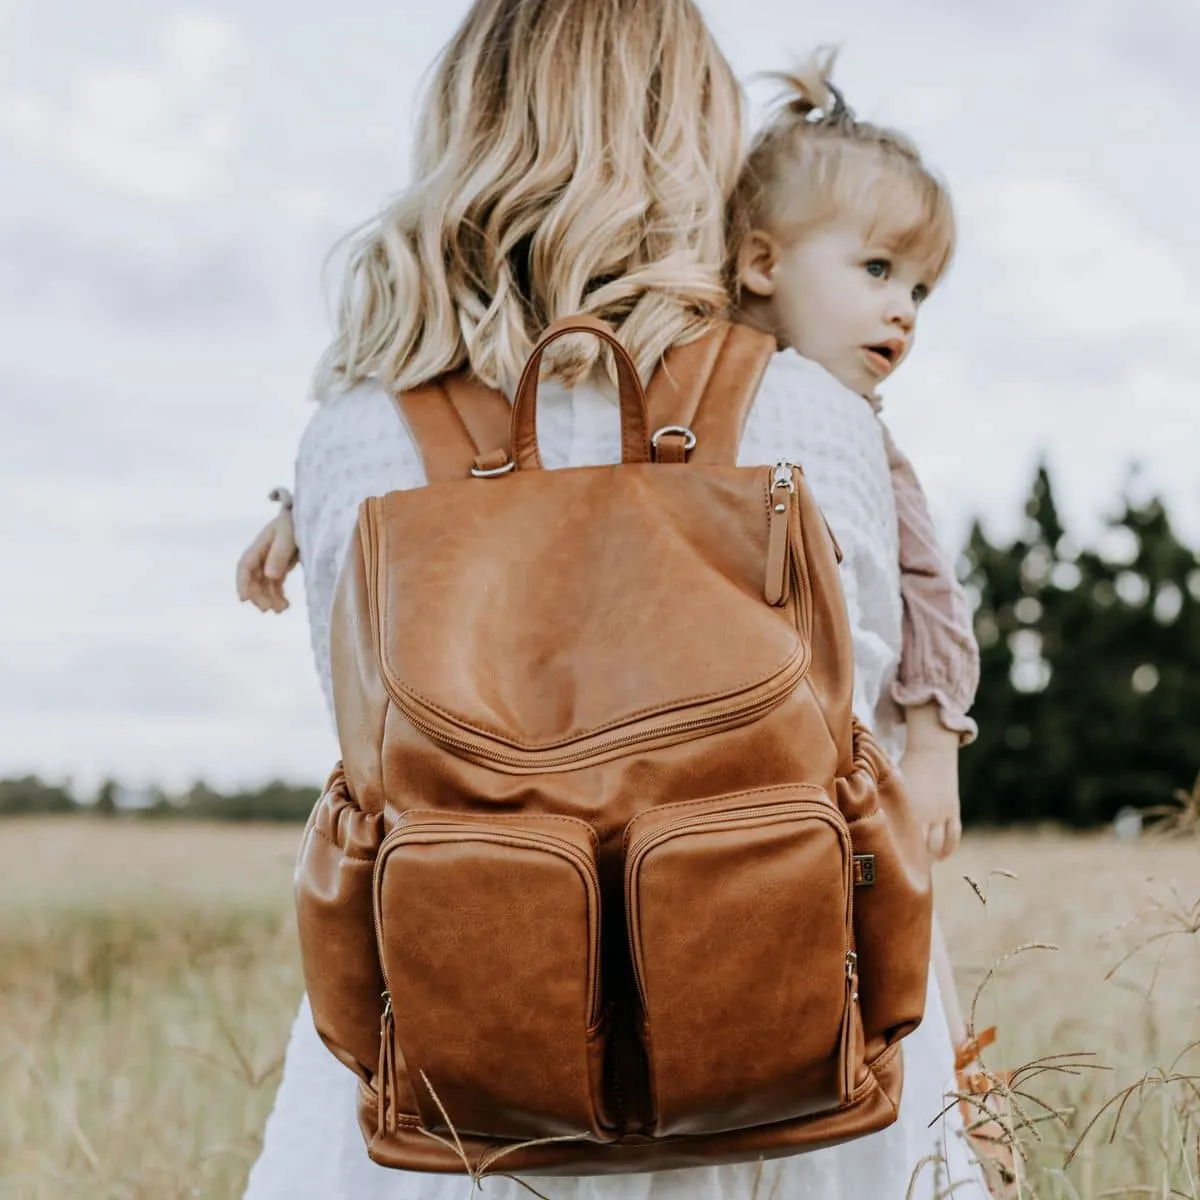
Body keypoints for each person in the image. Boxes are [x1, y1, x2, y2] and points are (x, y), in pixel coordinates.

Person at [236, 2, 990, 1196]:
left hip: (456, 1086)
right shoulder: (809, 414)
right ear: (702, 146)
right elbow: (875, 747)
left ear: (468, 126)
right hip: (795, 1072)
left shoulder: (351, 442)